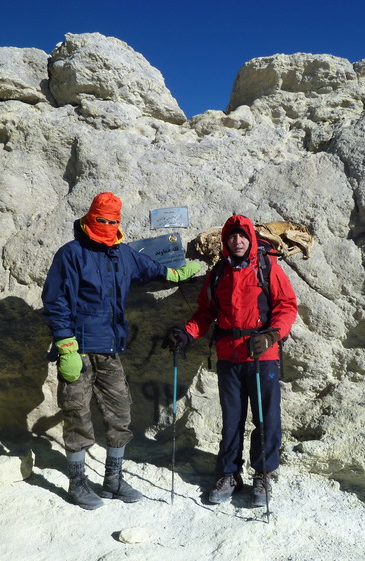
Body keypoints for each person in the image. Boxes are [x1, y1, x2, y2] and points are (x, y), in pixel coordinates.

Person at [42, 192, 200, 510]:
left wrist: (179, 274)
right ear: (90, 218)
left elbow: (152, 269)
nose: (106, 226)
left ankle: (112, 481)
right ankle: (77, 483)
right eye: (101, 220)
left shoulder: (123, 254)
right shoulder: (71, 254)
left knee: (120, 414)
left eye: (112, 222)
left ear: (119, 223)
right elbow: (55, 299)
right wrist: (65, 344)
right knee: (77, 414)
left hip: (110, 350)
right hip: (79, 350)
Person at [164, 214, 297, 506]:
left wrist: (273, 335)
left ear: (250, 239)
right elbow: (204, 313)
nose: (237, 241)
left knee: (266, 420)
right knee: (232, 419)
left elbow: (286, 306)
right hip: (229, 355)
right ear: (225, 242)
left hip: (263, 355)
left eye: (242, 236)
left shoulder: (268, 268)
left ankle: (262, 475)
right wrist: (186, 334)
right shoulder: (218, 273)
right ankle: (229, 474)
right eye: (231, 237)